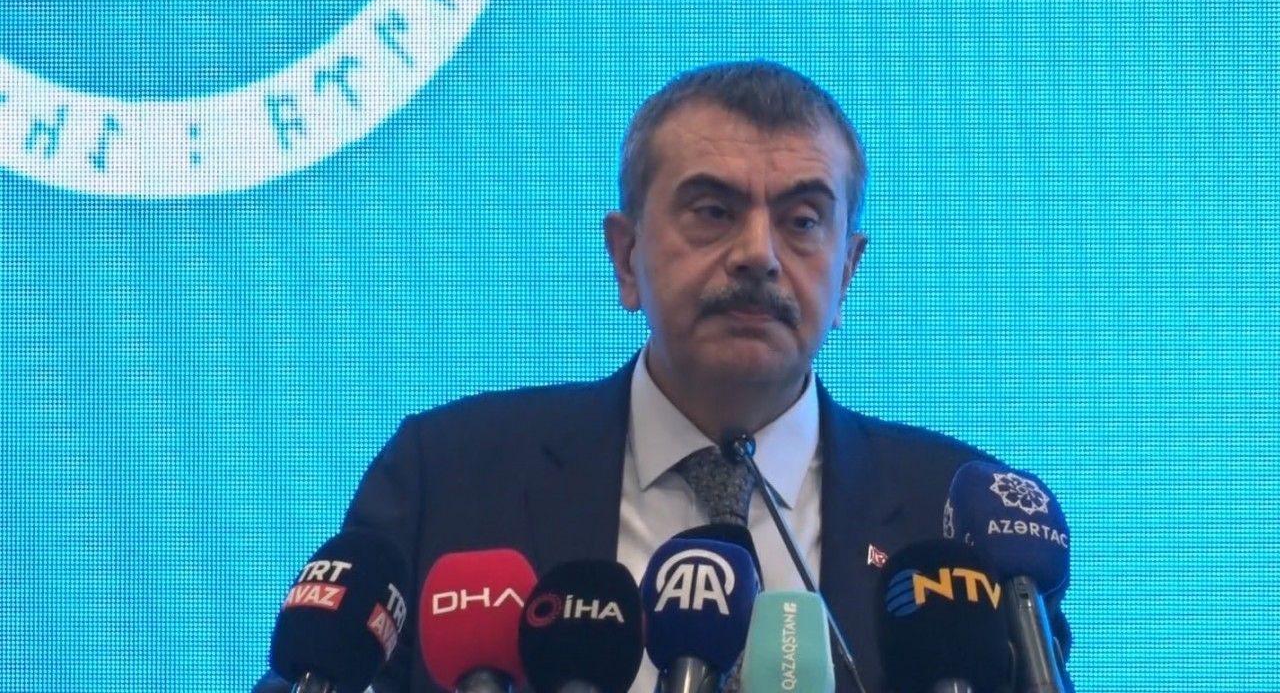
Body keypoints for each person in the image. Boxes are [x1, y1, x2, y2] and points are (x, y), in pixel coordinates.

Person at [256, 60, 1072, 692]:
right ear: (626, 259)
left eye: (802, 220)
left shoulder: (954, 519)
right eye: (713, 212)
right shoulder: (450, 474)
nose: (758, 255)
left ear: (847, 273)